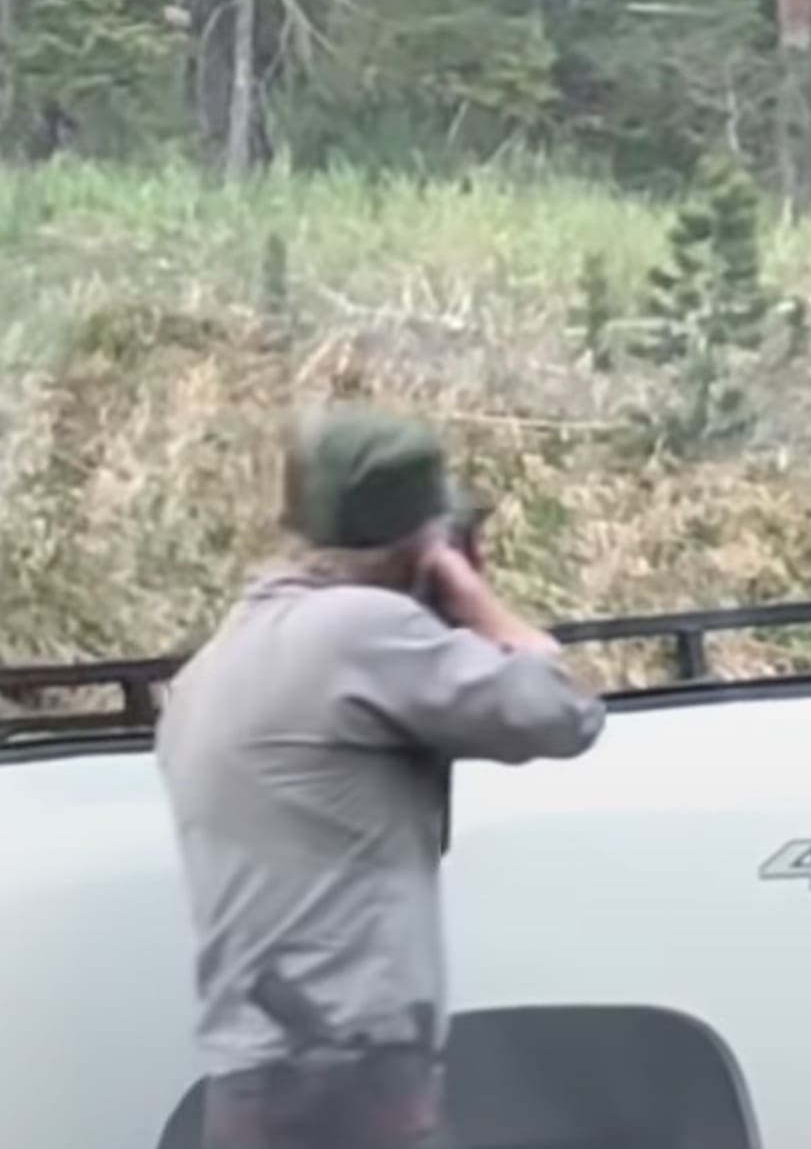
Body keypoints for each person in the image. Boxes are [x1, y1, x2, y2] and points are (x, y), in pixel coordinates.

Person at [155, 403, 607, 1149]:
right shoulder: (358, 631)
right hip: (347, 1066)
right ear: (419, 545)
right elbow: (563, 713)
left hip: (262, 1066)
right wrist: (473, 599)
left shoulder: (223, 655)